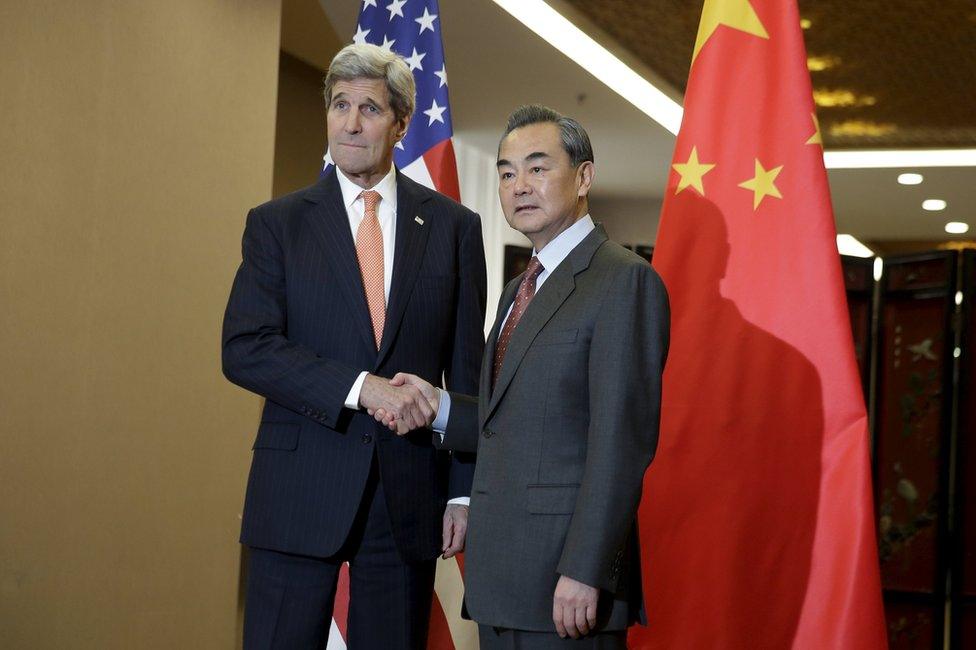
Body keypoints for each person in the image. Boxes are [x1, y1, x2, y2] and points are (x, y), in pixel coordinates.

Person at [221, 43, 486, 650]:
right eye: (339, 105)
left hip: (408, 499)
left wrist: (464, 491)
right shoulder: (277, 224)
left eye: (369, 107)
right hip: (298, 492)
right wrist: (357, 388)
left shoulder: (454, 229)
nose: (351, 121)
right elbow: (244, 347)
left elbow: (470, 376)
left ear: (400, 122)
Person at [375, 105, 670, 649]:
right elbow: (511, 418)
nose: (519, 186)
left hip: (567, 584)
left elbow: (620, 443)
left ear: (583, 177)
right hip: (501, 576)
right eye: (507, 173)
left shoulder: (624, 282)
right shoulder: (518, 289)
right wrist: (440, 406)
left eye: (537, 168)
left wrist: (587, 568)